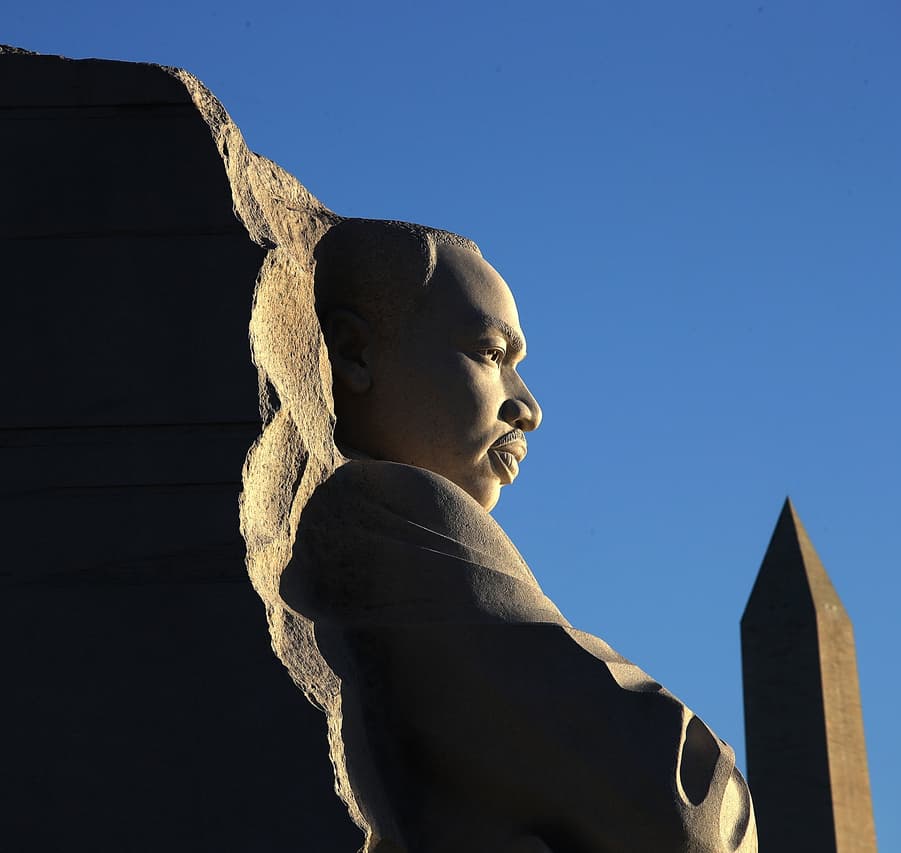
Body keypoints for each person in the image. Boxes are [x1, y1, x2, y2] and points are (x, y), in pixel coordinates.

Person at [279, 219, 757, 853]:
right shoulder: (392, 510)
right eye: (490, 353)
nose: (527, 407)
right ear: (354, 353)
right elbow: (686, 813)